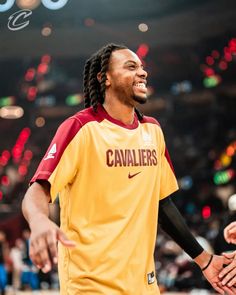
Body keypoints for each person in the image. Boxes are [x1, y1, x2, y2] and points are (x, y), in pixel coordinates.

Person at [22, 43, 234, 295]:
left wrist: (205, 261)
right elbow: (38, 189)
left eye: (142, 67)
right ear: (105, 78)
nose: (142, 72)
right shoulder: (80, 128)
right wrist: (38, 220)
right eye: (131, 67)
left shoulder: (153, 131)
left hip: (143, 284)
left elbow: (162, 205)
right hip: (90, 285)